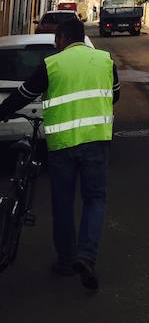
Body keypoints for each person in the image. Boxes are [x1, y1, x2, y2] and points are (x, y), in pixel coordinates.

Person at [0, 17, 119, 290]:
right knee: (95, 199)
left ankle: (66, 260)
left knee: (63, 202)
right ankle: (86, 255)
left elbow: (23, 95)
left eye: (56, 40)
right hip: (96, 141)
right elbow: (116, 95)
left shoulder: (52, 64)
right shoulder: (105, 61)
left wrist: (2, 113)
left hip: (62, 144)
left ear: (62, 39)